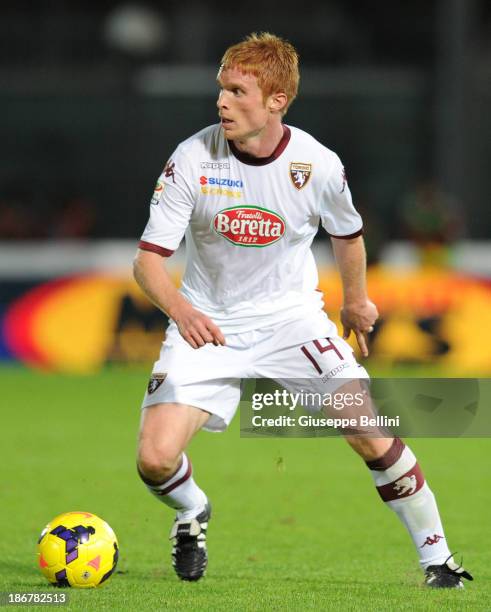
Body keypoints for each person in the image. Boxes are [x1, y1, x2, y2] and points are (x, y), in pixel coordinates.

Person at [133, 33, 472, 588]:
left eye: (237, 91)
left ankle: (438, 558)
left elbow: (349, 234)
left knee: (370, 431)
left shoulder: (316, 164)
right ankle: (193, 511)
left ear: (276, 100)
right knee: (154, 460)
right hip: (208, 323)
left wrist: (356, 299)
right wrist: (181, 310)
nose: (221, 101)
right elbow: (147, 262)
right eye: (221, 88)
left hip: (291, 321)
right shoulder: (192, 158)